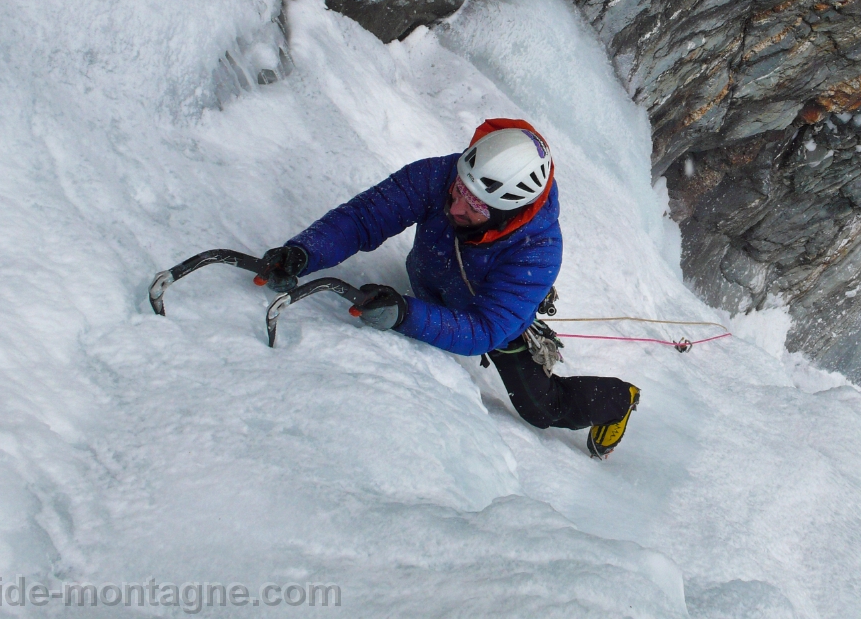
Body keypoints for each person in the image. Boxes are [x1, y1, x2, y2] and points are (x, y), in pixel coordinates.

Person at [256, 119, 640, 459]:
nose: (454, 207)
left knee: (541, 408)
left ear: (507, 212)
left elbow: (486, 330)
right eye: (458, 191)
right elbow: (366, 217)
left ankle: (618, 400)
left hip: (495, 320)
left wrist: (406, 315)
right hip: (435, 285)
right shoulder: (441, 176)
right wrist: (304, 252)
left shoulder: (536, 250)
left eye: (474, 207)